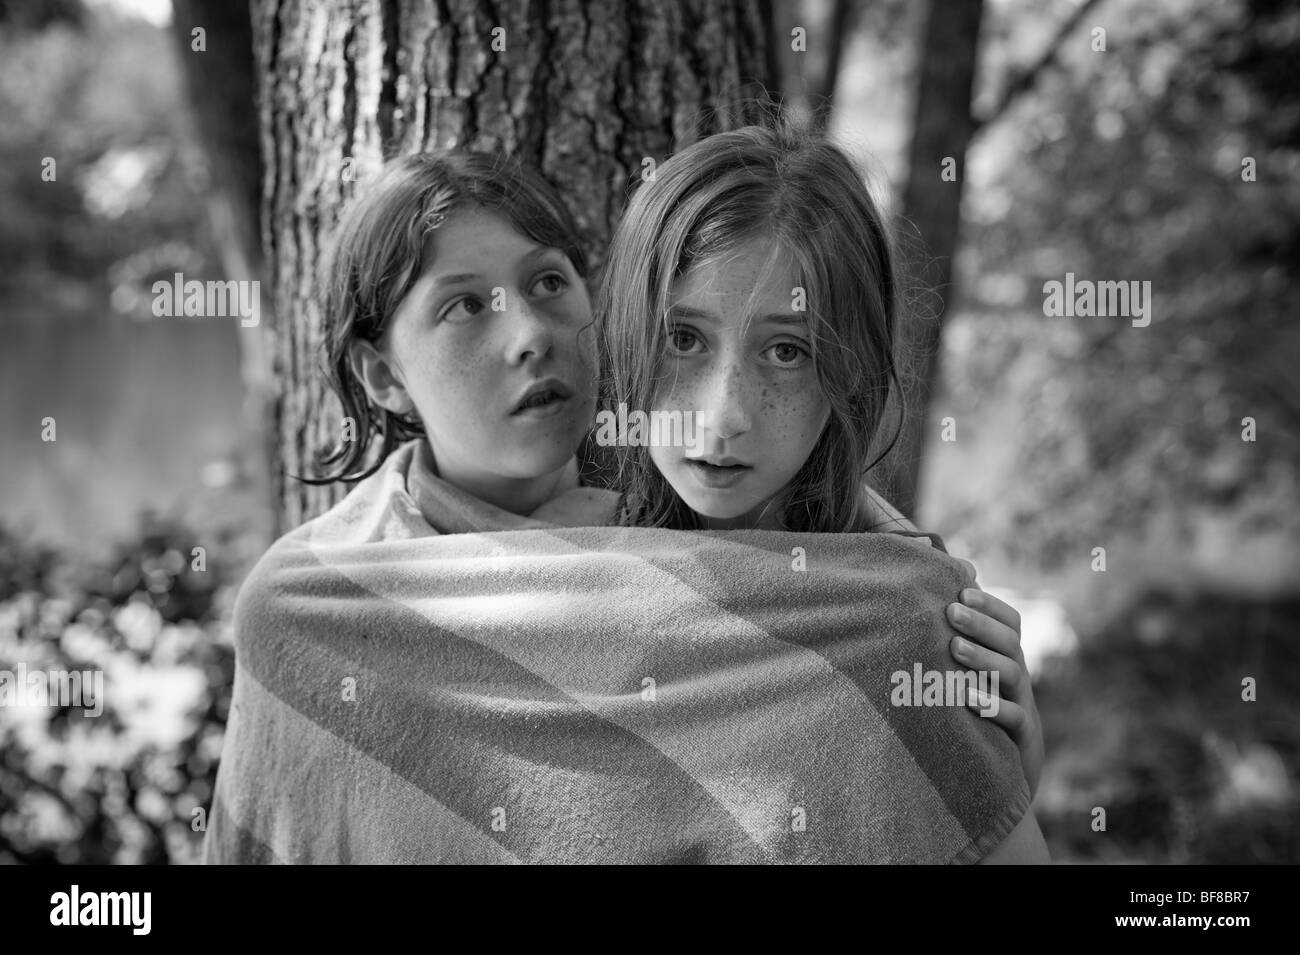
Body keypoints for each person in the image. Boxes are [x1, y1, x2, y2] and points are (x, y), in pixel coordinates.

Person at [203, 148, 1043, 863]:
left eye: (548, 282)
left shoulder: (847, 583)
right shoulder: (314, 605)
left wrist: (993, 772)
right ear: (383, 374)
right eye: (463, 306)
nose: (529, 333)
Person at [597, 118, 1049, 862]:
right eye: (684, 339)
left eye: (786, 349)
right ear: (627, 336)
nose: (725, 415)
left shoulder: (905, 625)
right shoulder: (569, 565)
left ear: (851, 375)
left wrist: (997, 783)